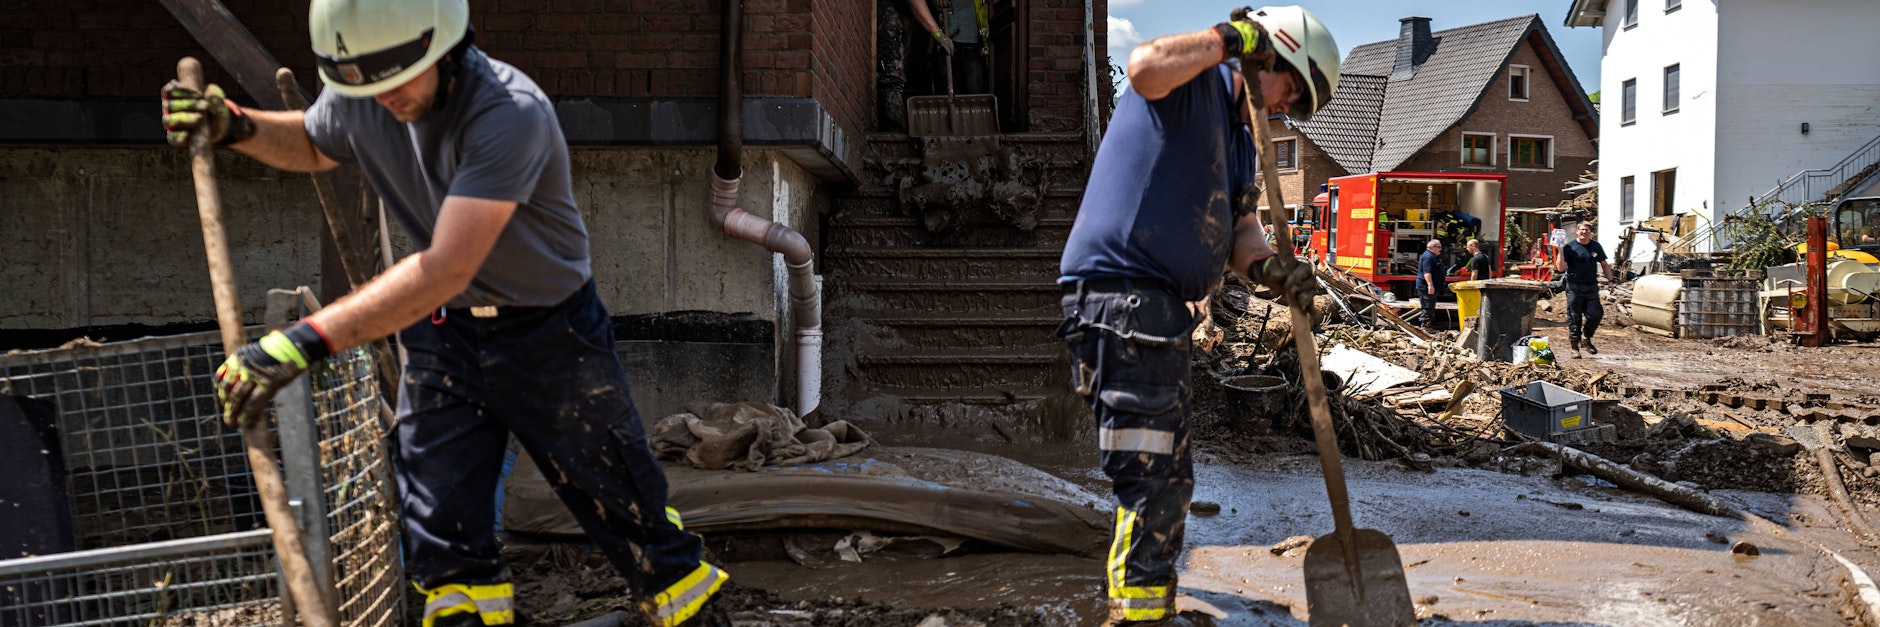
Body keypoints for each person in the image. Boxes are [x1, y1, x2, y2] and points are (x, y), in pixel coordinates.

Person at [158, 1, 731, 625]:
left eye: (397, 84)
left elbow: (446, 266)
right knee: (440, 514)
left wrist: (303, 340)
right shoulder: (365, 86)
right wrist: (237, 126)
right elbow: (314, 142)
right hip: (444, 335)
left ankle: (688, 610)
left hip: (549, 333)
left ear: (447, 50)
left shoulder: (509, 114)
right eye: (363, 88)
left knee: (622, 500)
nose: (383, 101)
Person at [1056, 6, 1337, 625]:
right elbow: (1144, 66)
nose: (1286, 107)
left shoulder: (1241, 141)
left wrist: (1269, 271)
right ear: (1265, 55)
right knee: (1152, 476)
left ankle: (1138, 607)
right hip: (1122, 299)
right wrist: (1226, 40)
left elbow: (1242, 232)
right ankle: (1138, 617)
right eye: (1289, 88)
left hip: (1155, 312)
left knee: (1168, 476)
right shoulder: (1193, 83)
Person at [1555, 222, 1612, 357]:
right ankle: (1574, 346)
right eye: (1581, 229)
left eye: (1587, 230)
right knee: (1575, 317)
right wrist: (1560, 251)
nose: (1584, 232)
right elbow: (1561, 268)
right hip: (1574, 287)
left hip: (1591, 286)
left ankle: (1586, 339)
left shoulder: (1595, 246)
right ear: (1577, 231)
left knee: (1595, 315)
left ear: (1590, 232)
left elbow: (1604, 264)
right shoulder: (1570, 247)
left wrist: (1610, 281)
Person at [907, 0, 990, 95]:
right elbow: (927, 12)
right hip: (945, 44)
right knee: (948, 90)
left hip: (971, 45)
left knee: (975, 87)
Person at [1416, 239, 1444, 331]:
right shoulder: (1428, 257)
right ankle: (1425, 326)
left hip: (1430, 286)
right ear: (1432, 247)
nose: (1441, 249)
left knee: (1430, 305)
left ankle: (1427, 325)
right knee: (1427, 305)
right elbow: (1427, 272)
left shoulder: (1432, 256)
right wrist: (1430, 285)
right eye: (1439, 247)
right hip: (1425, 286)